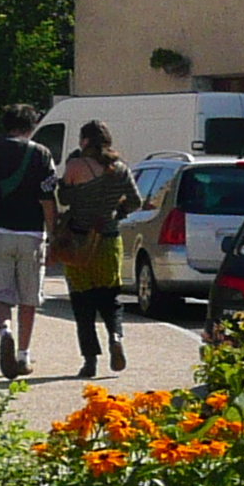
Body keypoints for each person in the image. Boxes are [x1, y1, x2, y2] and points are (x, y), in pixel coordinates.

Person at [0, 104, 57, 378]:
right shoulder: (41, 154)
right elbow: (47, 201)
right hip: (31, 235)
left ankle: (5, 331)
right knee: (29, 298)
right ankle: (23, 356)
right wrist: (53, 239)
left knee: (0, 294)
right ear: (32, 125)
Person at [53, 120, 142, 378]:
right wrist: (117, 213)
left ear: (84, 141)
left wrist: (66, 181)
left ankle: (90, 361)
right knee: (110, 298)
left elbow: (64, 199)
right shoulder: (121, 169)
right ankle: (115, 337)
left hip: (79, 241)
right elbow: (136, 201)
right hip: (109, 240)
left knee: (83, 303)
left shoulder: (76, 166)